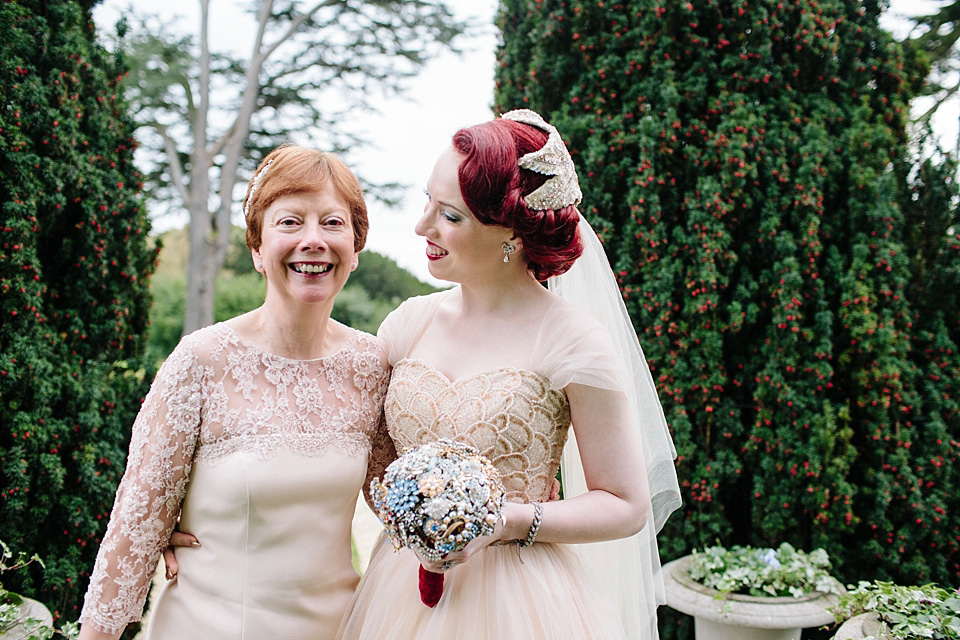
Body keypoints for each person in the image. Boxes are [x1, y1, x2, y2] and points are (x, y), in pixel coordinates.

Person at [335, 110, 681, 640]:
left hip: (523, 600)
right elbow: (360, 454)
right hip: (399, 590)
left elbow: (625, 504)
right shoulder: (408, 323)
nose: (423, 226)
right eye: (426, 201)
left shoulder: (574, 342)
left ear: (512, 235)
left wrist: (506, 522)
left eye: (450, 216)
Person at [77, 145, 394, 640]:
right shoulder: (201, 361)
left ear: (355, 250)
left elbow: (401, 501)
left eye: (331, 223)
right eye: (290, 222)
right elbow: (134, 531)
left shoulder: (374, 366)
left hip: (337, 628)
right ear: (256, 249)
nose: (313, 240)